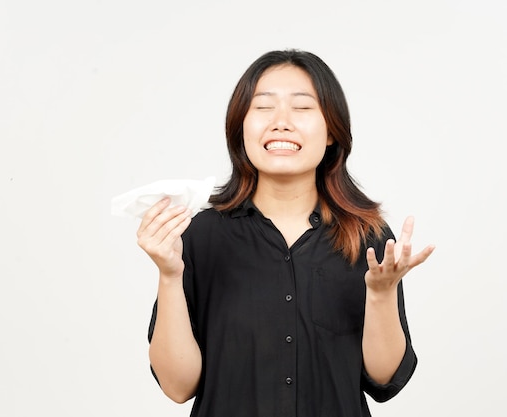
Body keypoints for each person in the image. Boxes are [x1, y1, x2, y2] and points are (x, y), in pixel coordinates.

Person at [136, 49, 435, 417]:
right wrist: (169, 274)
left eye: (302, 108)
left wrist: (381, 294)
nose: (281, 122)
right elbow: (178, 387)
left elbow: (384, 379)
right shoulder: (199, 235)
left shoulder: (366, 236)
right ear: (240, 128)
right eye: (263, 107)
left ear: (331, 132)